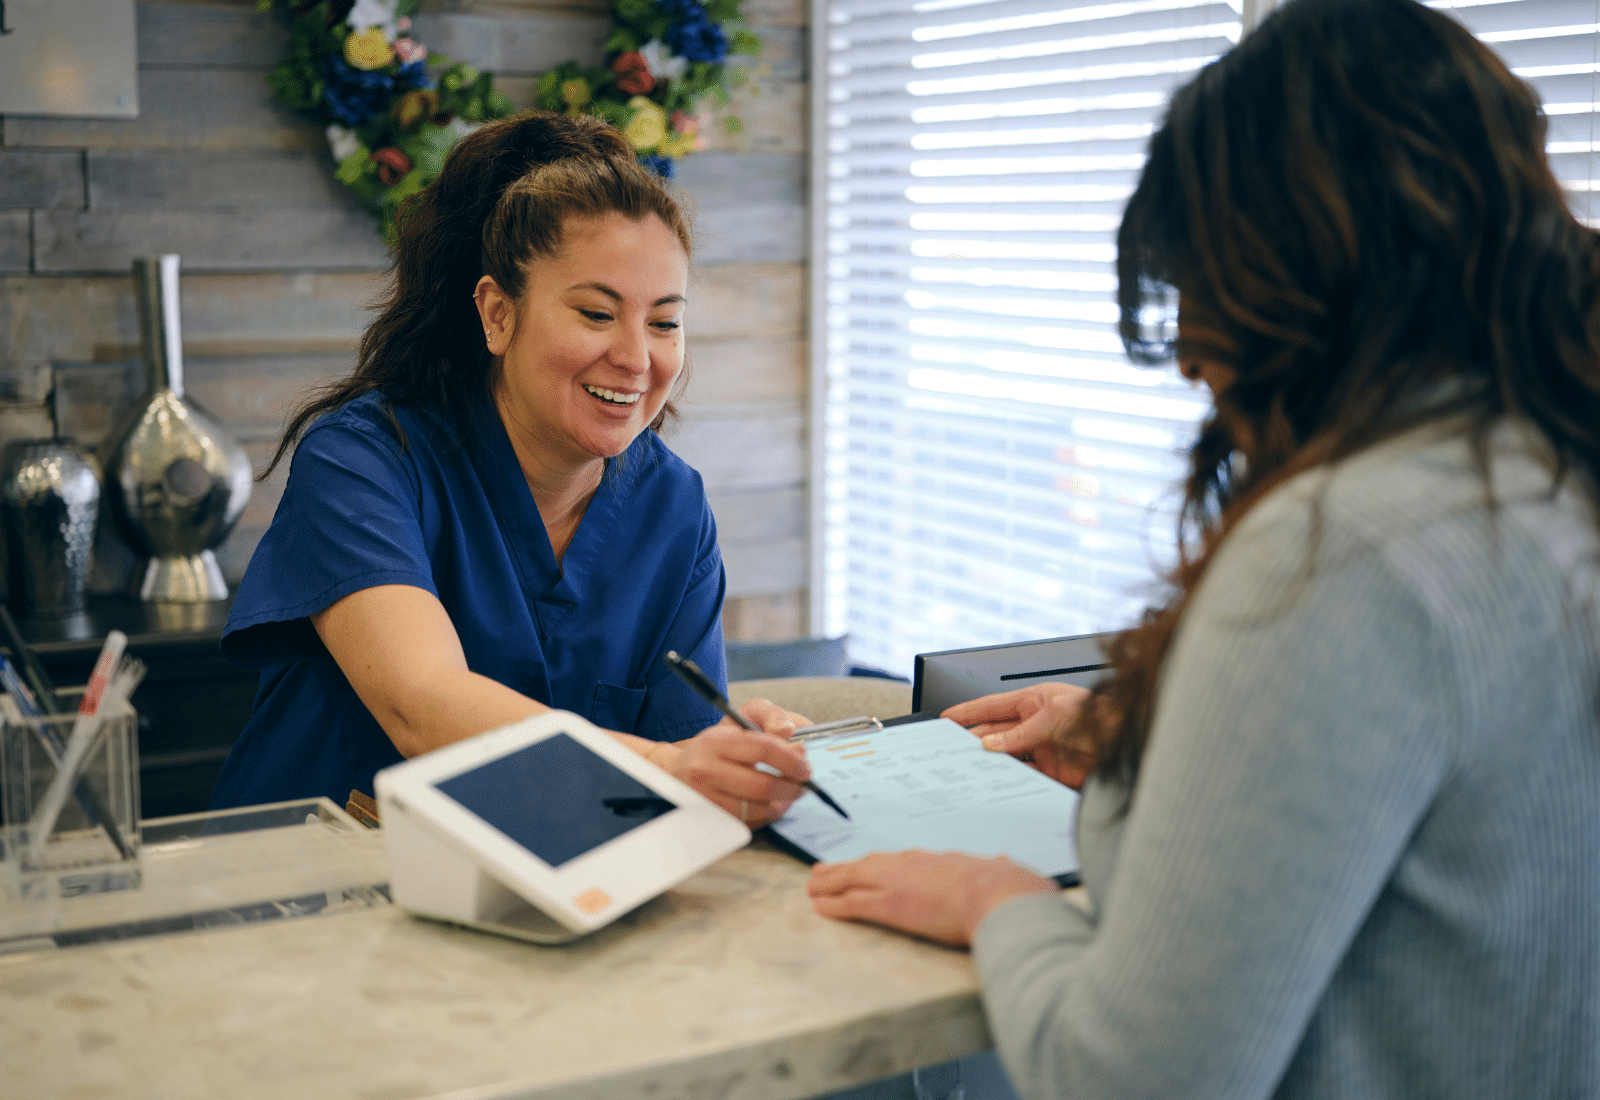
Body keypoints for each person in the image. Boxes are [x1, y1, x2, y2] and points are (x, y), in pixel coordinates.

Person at [806, 0, 1600, 1096]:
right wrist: (1151, 754)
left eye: (1197, 286)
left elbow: (1131, 1078)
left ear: (1294, 274)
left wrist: (997, 900)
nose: (1185, 356)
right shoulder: (1545, 475)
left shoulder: (1338, 551)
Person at [212, 111, 810, 823]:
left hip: (558, 890)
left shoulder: (672, 508)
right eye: (595, 313)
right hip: (316, 888)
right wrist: (669, 768)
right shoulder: (365, 462)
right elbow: (421, 702)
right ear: (498, 313)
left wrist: (743, 766)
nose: (636, 358)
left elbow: (684, 769)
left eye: (663, 322)